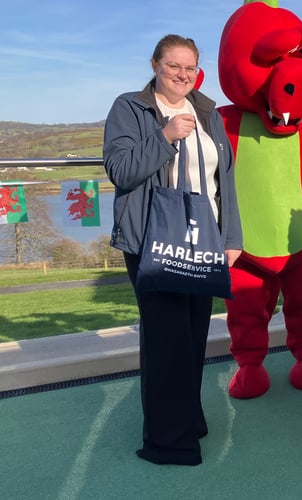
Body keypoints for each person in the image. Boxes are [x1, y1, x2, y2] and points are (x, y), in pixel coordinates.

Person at [103, 34, 243, 465]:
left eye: (190, 67)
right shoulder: (131, 107)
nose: (183, 75)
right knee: (166, 340)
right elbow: (121, 170)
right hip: (151, 241)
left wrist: (232, 238)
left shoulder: (207, 111)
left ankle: (188, 418)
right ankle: (167, 441)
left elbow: (225, 180)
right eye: (173, 66)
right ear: (155, 65)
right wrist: (164, 135)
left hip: (202, 240)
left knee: (194, 336)